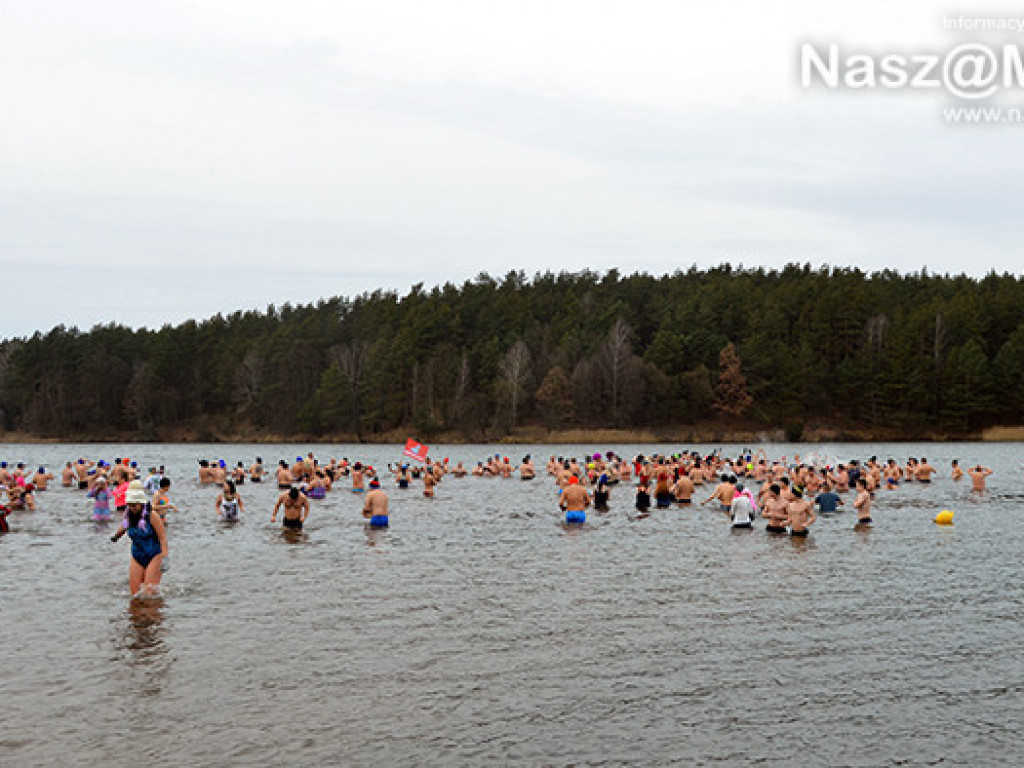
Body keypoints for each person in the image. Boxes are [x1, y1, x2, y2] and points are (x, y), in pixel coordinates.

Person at [110, 481, 167, 596]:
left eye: (135, 505)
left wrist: (165, 558)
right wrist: (116, 536)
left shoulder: (152, 516)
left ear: (141, 504)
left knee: (148, 592)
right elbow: (124, 526)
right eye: (130, 505)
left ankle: (153, 613)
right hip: (137, 555)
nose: (132, 508)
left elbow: (162, 538)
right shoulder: (129, 515)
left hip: (155, 555)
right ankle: (137, 614)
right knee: (135, 594)